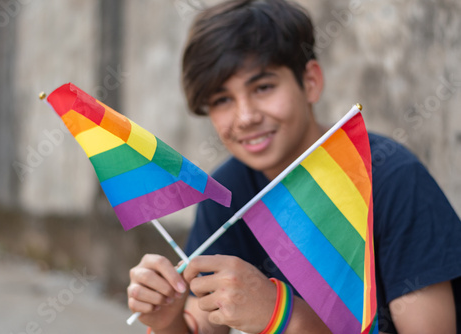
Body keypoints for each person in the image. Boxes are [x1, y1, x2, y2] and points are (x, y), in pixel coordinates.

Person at [127, 0, 461, 333]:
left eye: (263, 87)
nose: (245, 117)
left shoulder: (392, 180)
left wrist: (282, 314)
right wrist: (167, 320)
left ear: (311, 81)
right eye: (222, 100)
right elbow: (200, 325)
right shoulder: (228, 193)